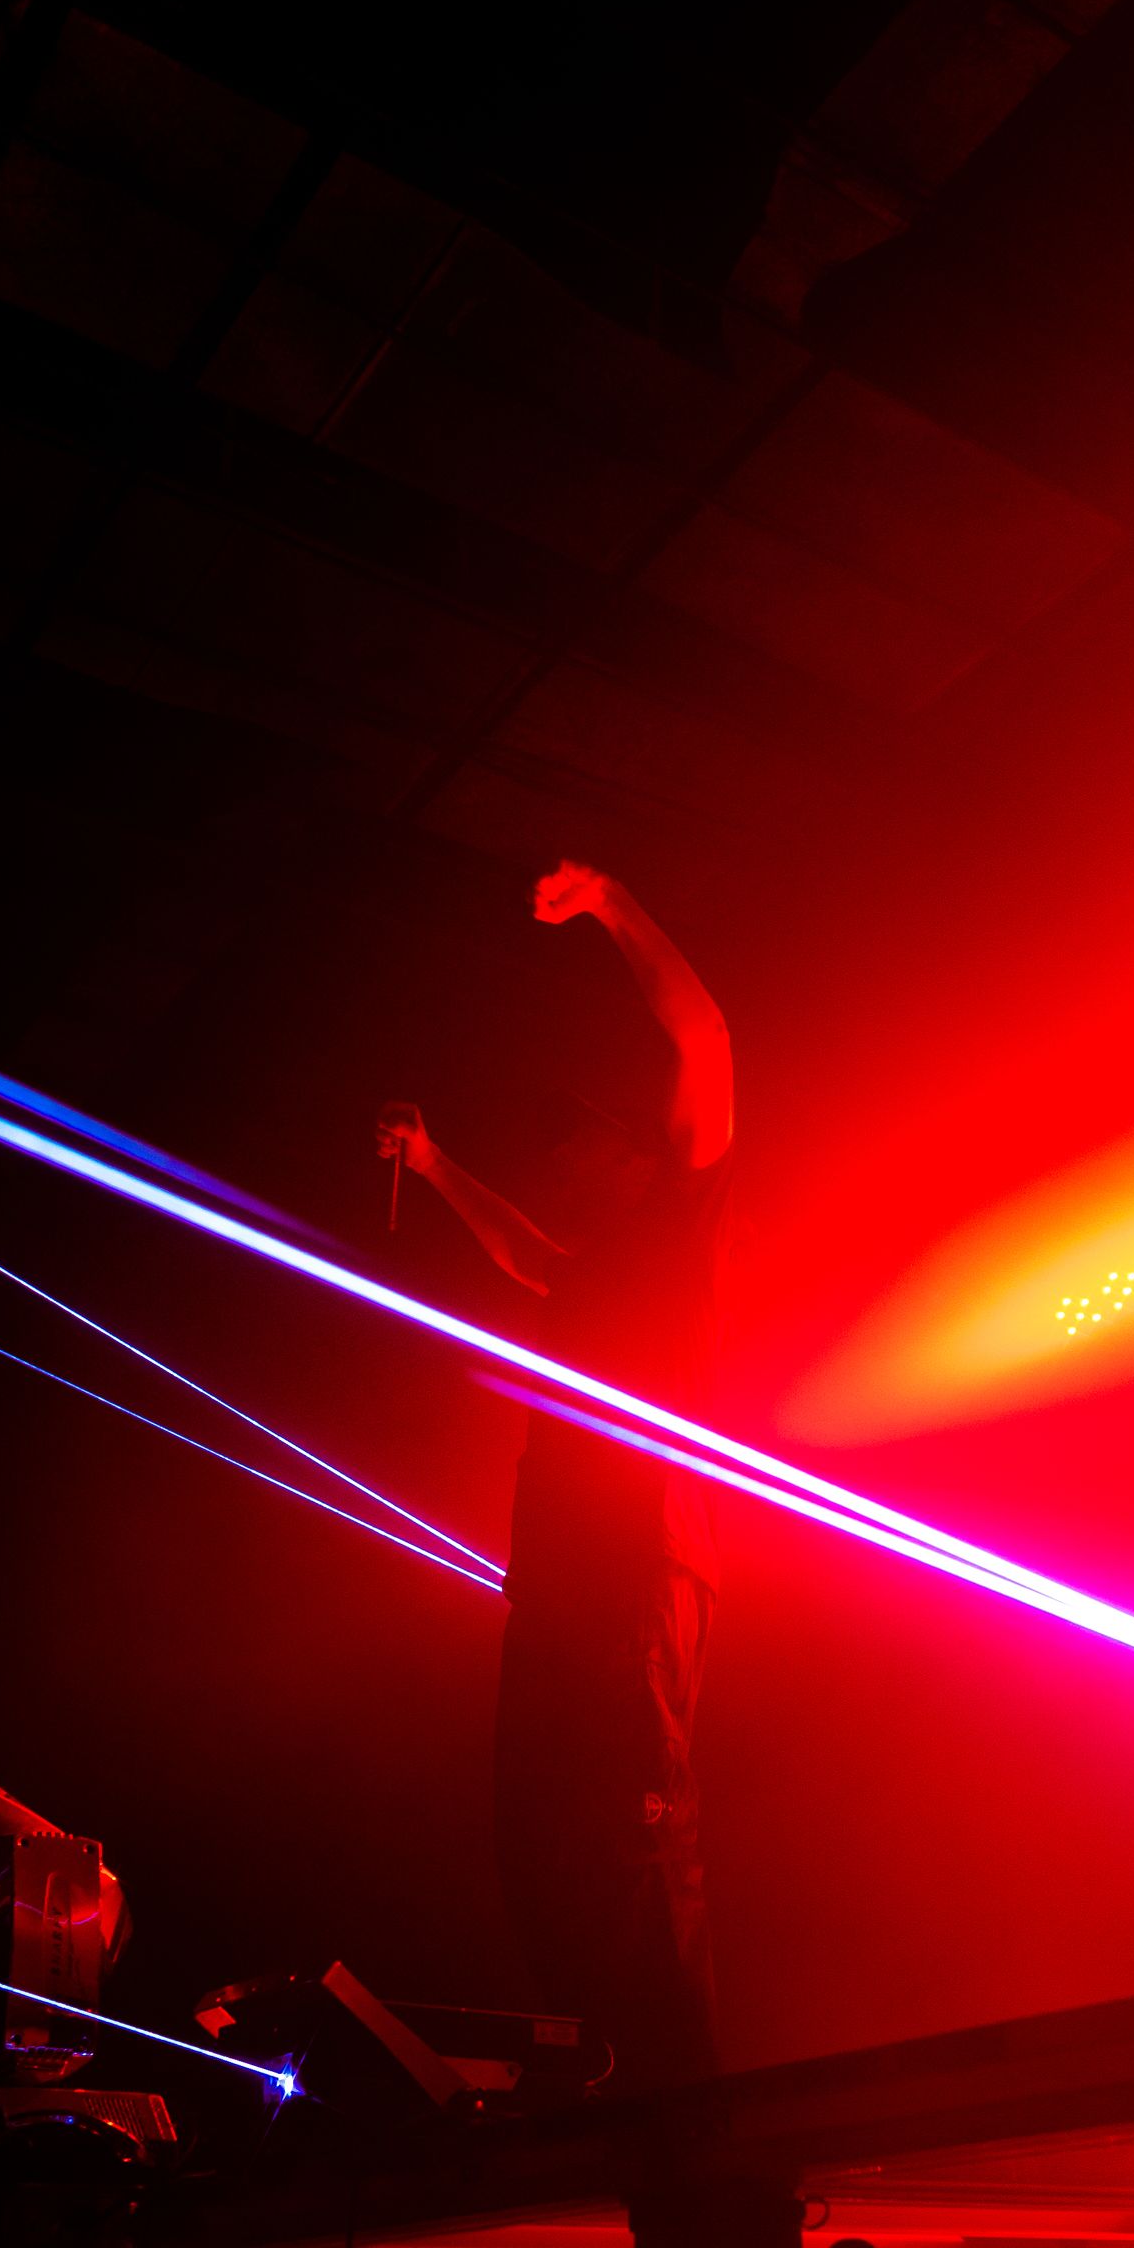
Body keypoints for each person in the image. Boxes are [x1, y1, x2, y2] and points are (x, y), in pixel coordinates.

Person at [376, 858, 734, 2088]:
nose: (569, 1165)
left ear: (640, 1158)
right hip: (561, 1569)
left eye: (586, 1144)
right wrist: (431, 1167)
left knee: (640, 1816)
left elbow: (704, 1032)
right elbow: (528, 1259)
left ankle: (682, 2074)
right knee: (544, 1814)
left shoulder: (680, 1210)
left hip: (643, 1553)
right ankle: (609, 2055)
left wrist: (617, 905)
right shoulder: (584, 1274)